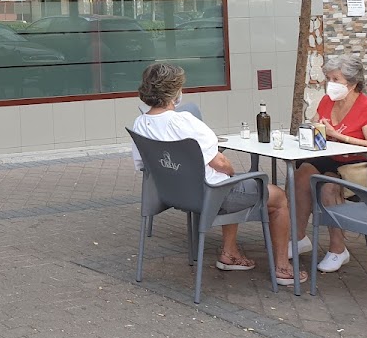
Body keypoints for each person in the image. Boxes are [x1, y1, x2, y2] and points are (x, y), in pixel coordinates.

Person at [130, 62, 304, 285]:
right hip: (211, 195)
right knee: (278, 197)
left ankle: (230, 253)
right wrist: (231, 173)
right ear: (174, 92)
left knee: (228, 181)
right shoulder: (185, 122)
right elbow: (220, 162)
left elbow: (143, 165)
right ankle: (283, 267)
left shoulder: (140, 124)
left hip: (175, 194)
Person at [290, 55, 367, 272]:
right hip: (328, 157)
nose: (331, 84)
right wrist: (315, 127)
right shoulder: (327, 101)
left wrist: (339, 135)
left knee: (328, 185)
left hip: (358, 164)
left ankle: (338, 249)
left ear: (353, 83)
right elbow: (317, 126)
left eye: (336, 79)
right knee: (301, 175)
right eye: (329, 78)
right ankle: (299, 238)